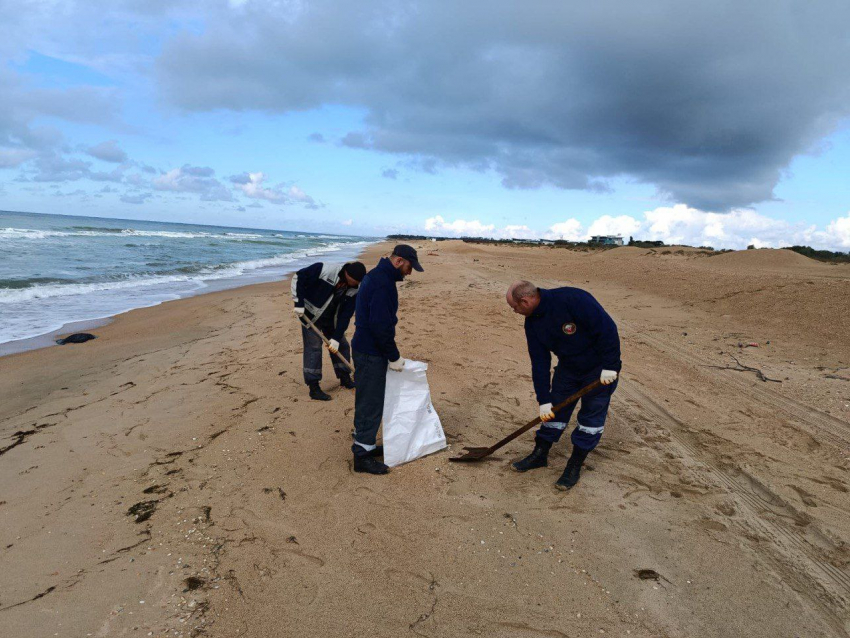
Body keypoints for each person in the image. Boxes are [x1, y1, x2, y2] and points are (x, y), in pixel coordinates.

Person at [506, 280, 621, 490]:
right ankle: (540, 454)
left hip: (599, 370)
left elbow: (606, 329)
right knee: (553, 412)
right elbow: (539, 362)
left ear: (524, 301)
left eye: (514, 307)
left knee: (591, 419)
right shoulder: (532, 322)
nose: (514, 311)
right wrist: (544, 399)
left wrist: (611, 366)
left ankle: (574, 464)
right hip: (568, 369)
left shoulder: (573, 299)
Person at [350, 244, 423, 474]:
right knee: (370, 401)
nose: (409, 273)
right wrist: (394, 356)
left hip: (367, 347)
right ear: (399, 261)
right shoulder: (382, 282)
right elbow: (380, 325)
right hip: (371, 351)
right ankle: (361, 455)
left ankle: (366, 444)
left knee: (369, 398)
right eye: (409, 267)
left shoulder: (379, 276)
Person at [291, 260, 366, 400]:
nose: (354, 284)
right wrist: (298, 303)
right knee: (314, 348)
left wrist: (336, 338)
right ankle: (314, 388)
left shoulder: (355, 288)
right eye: (353, 280)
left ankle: (345, 378)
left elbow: (346, 315)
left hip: (331, 320)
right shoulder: (325, 270)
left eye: (357, 282)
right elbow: (299, 277)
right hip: (309, 315)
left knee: (342, 345)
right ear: (346, 273)